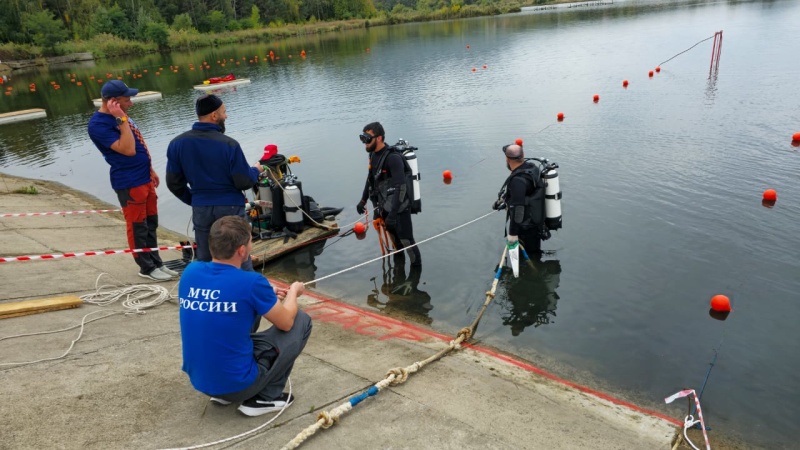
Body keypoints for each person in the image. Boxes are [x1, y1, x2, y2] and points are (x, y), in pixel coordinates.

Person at [179, 215, 312, 417]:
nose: (251, 245)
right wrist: (294, 291)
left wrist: (265, 296)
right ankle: (265, 397)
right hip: (237, 386)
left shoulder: (190, 272)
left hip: (200, 382)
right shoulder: (251, 283)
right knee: (301, 320)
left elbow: (229, 296)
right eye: (250, 241)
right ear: (242, 250)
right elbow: (286, 323)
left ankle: (222, 393)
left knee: (241, 315)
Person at [87, 80, 177, 281]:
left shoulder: (122, 117)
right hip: (129, 181)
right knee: (138, 225)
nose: (131, 103)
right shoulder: (98, 124)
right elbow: (128, 149)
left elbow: (138, 145)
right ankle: (146, 268)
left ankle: (156, 262)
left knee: (151, 222)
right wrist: (121, 120)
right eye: (127, 99)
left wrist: (150, 168)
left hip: (144, 176)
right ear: (113, 101)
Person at [166, 94, 263, 271]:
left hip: (201, 209)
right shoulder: (229, 145)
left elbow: (173, 183)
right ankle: (245, 295)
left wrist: (196, 199)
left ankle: (210, 295)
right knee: (240, 256)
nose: (226, 116)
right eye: (224, 112)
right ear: (214, 115)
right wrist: (256, 170)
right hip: (230, 209)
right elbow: (243, 181)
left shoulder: (177, 144)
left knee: (205, 257)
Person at [356, 122, 421, 266]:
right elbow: (370, 179)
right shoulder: (373, 155)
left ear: (379, 138)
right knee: (396, 245)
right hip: (384, 206)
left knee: (407, 242)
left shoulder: (393, 158)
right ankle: (399, 276)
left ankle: (414, 282)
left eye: (367, 139)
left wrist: (393, 215)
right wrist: (363, 200)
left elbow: (401, 187)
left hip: (400, 209)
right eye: (363, 138)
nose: (364, 143)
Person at [493, 143, 547, 256]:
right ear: (523, 155)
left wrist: (512, 234)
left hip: (525, 228)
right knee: (534, 254)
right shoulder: (531, 167)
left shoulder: (518, 180)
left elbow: (518, 208)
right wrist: (504, 200)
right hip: (535, 223)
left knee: (527, 257)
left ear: (507, 159)